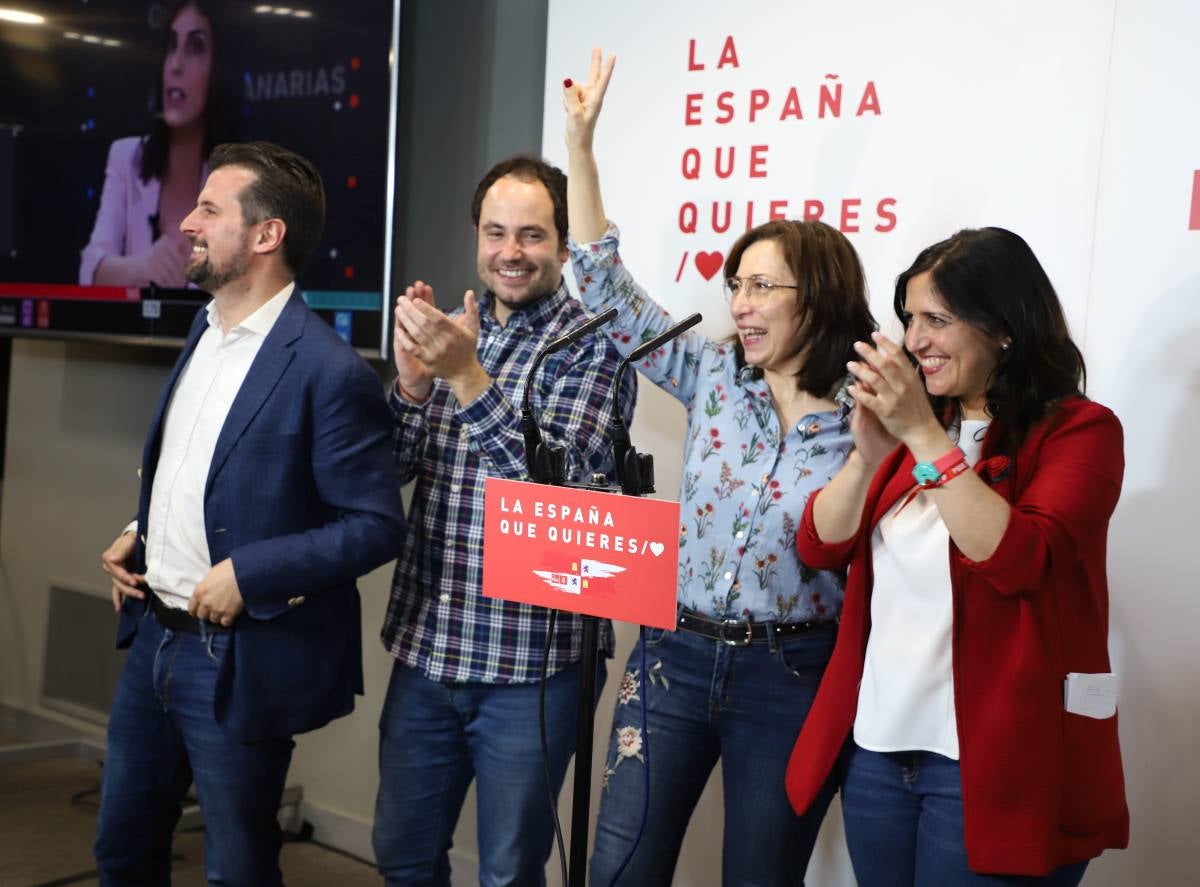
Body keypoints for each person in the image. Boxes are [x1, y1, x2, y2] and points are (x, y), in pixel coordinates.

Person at [564, 51, 877, 885]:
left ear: (818, 297)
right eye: (735, 283)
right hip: (671, 656)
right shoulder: (709, 373)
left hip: (793, 672)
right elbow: (605, 292)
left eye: (761, 286)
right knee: (619, 868)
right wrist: (582, 149)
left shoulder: (872, 410)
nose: (738, 301)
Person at [94, 140, 405, 885]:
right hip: (153, 641)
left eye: (209, 209)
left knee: (237, 869)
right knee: (123, 852)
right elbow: (209, 467)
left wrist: (250, 572)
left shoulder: (329, 370)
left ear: (267, 236)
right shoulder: (203, 329)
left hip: (238, 657)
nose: (187, 223)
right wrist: (144, 535)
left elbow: (375, 523)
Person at [785, 227, 1129, 885]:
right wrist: (867, 455)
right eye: (910, 318)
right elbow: (818, 545)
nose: (915, 340)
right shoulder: (921, 426)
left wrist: (919, 433)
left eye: (937, 319)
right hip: (880, 750)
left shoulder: (1080, 431)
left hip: (990, 762)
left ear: (1004, 326)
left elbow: (1019, 559)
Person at [371, 152, 637, 885]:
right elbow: (388, 470)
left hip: (533, 668)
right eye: (496, 233)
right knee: (400, 856)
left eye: (532, 235)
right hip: (427, 650)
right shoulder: (455, 330)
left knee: (510, 874)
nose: (510, 253)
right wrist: (414, 386)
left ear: (562, 245)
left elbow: (553, 498)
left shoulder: (596, 344)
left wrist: (464, 374)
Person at [80, 0, 238, 287]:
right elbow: (91, 267)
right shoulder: (126, 158)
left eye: (195, 47)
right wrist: (143, 268)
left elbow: (272, 295)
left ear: (220, 69)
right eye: (171, 46)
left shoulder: (241, 180)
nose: (175, 65)